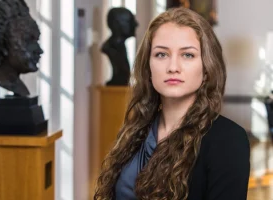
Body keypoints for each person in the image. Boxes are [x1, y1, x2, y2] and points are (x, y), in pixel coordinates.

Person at [94, 7, 250, 200]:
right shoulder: (137, 130)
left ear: (207, 68)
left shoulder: (228, 140)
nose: (173, 67)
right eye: (161, 54)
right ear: (148, 66)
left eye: (187, 55)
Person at [101, 7, 138, 86]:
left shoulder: (120, 46)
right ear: (119, 24)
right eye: (130, 21)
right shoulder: (110, 48)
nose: (136, 24)